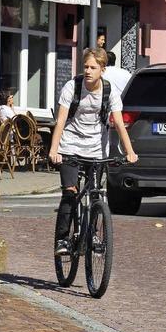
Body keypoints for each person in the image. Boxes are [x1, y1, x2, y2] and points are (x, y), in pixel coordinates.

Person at [49, 48, 138, 255]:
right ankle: (62, 239)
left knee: (97, 196)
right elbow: (61, 120)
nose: (88, 71)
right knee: (70, 193)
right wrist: (54, 150)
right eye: (86, 67)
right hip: (69, 146)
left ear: (103, 69)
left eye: (93, 67)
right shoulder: (72, 87)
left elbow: (119, 124)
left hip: (97, 150)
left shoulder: (110, 93)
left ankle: (94, 234)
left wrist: (130, 152)